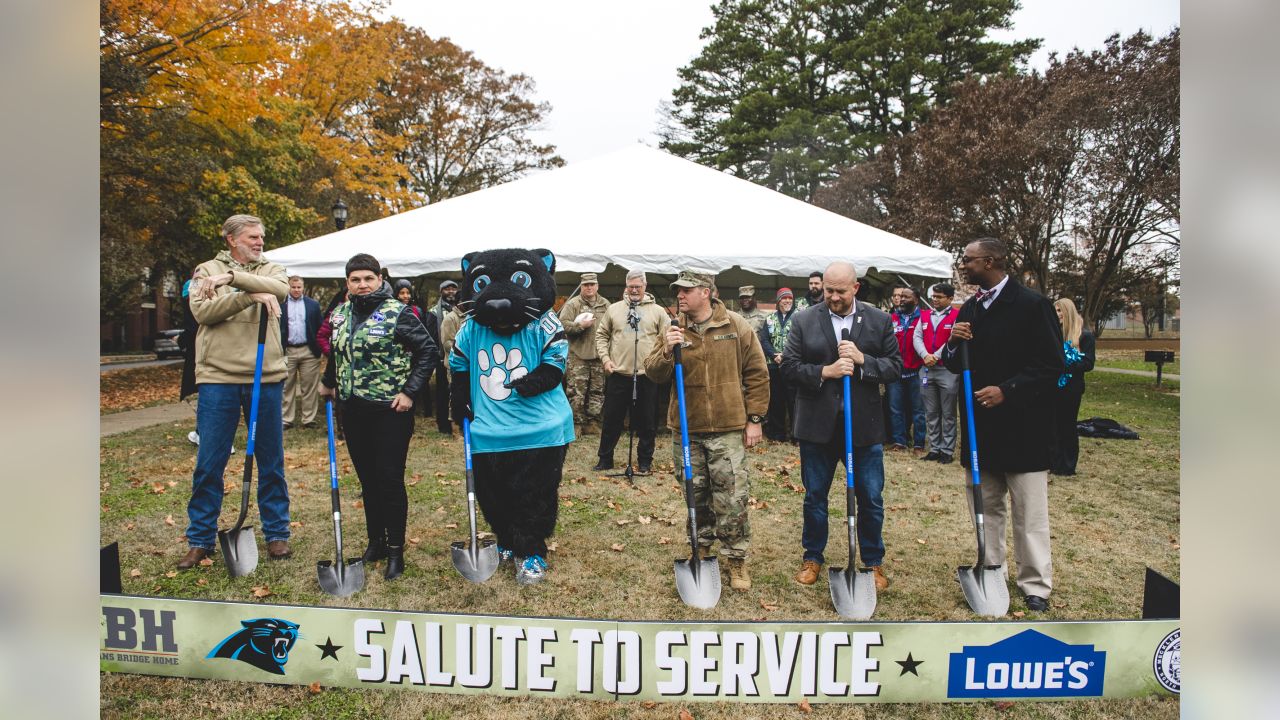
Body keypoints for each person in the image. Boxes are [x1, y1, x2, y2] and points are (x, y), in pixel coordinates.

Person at [941, 237, 1064, 613]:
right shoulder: (970, 309)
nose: (963, 266)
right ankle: (992, 569)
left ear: (990, 261)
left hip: (1023, 427)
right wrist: (951, 343)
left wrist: (1008, 390)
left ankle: (1035, 584)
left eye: (968, 260)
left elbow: (1052, 364)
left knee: (1029, 513)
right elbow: (952, 364)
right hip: (982, 430)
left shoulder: (1032, 305)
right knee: (986, 506)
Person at [178, 214, 292, 570]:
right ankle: (200, 539)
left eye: (261, 236)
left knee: (271, 461)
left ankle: (277, 533)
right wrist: (249, 295)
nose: (259, 242)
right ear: (231, 239)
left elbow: (281, 290)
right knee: (209, 463)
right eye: (252, 237)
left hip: (265, 375)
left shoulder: (273, 268)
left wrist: (232, 281)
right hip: (218, 378)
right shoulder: (204, 270)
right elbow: (202, 312)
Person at [644, 271, 770, 591]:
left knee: (732, 496)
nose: (680, 296)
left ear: (706, 291)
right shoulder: (674, 329)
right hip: (687, 428)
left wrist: (754, 419)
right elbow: (654, 374)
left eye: (686, 290)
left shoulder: (735, 326)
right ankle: (700, 546)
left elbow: (757, 371)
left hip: (727, 426)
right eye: (677, 291)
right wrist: (665, 351)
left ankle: (736, 558)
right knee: (694, 492)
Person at [781, 261, 900, 591]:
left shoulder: (878, 320)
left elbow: (895, 367)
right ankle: (813, 557)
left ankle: (872, 562)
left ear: (855, 288)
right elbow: (789, 367)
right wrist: (825, 372)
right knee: (815, 497)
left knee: (870, 498)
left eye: (839, 291)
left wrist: (863, 361)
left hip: (863, 427)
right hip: (817, 426)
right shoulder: (805, 319)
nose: (832, 297)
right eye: (828, 290)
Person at [320, 254, 438, 580]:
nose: (362, 285)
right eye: (355, 279)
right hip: (352, 409)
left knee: (388, 479)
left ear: (379, 279)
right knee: (367, 481)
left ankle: (397, 550)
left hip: (390, 410)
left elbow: (428, 351)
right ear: (347, 283)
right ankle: (377, 542)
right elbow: (339, 353)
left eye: (368, 279)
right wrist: (329, 382)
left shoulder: (397, 313)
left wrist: (410, 392)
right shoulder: (340, 315)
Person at [593, 270, 671, 473]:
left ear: (645, 286)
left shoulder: (658, 311)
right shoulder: (614, 309)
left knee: (647, 421)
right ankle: (605, 459)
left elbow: (668, 339)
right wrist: (606, 359)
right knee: (612, 419)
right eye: (631, 286)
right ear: (626, 287)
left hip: (647, 375)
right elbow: (601, 335)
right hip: (619, 374)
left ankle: (645, 460)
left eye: (638, 286)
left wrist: (660, 361)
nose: (634, 290)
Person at [913, 283, 960, 463]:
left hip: (946, 369)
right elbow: (917, 336)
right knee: (931, 412)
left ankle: (947, 450)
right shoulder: (924, 315)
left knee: (948, 413)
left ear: (950, 299)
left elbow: (953, 338)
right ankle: (934, 448)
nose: (935, 300)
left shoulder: (956, 316)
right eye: (934, 296)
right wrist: (925, 355)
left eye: (940, 297)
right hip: (926, 369)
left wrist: (936, 355)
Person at [558, 272, 611, 432]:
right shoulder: (573, 304)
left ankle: (593, 423)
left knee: (597, 391)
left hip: (598, 356)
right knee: (576, 391)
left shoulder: (605, 304)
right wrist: (580, 326)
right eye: (586, 285)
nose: (589, 287)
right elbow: (562, 325)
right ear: (581, 286)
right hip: (578, 356)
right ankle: (577, 424)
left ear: (597, 286)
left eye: (592, 284)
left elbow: (613, 326)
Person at [1050, 298, 1095, 476]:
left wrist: (1065, 364)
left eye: (1060, 311)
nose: (1058, 315)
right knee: (1052, 426)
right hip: (1052, 387)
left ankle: (1068, 465)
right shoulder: (1054, 334)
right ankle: (1053, 462)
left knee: (1067, 425)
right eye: (1055, 311)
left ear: (1068, 312)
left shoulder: (1084, 336)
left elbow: (1088, 363)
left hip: (1071, 388)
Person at [887, 285, 926, 454]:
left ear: (916, 300)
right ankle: (899, 441)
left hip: (916, 371)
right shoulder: (892, 318)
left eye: (906, 297)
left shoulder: (924, 318)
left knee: (918, 410)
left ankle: (918, 444)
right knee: (896, 408)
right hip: (896, 371)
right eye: (901, 296)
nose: (902, 299)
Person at [281, 276, 323, 429]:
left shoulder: (313, 305)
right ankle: (286, 419)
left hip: (309, 350)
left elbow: (320, 327)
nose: (296, 290)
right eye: (294, 287)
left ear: (303, 288)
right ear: (288, 287)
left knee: (309, 386)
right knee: (286, 386)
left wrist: (319, 348)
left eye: (299, 287)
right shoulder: (281, 304)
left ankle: (309, 419)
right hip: (288, 350)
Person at [393, 279, 437, 423]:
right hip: (401, 354)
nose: (405, 296)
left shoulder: (416, 310)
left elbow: (422, 331)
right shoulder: (392, 311)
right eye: (402, 293)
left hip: (416, 351)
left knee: (420, 380)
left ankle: (426, 409)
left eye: (407, 293)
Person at [759, 287, 799, 442]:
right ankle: (777, 434)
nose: (787, 301)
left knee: (794, 400)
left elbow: (799, 340)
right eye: (784, 298)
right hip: (773, 366)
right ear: (778, 301)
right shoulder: (769, 319)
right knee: (776, 400)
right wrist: (774, 355)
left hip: (791, 365)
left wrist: (785, 355)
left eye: (790, 298)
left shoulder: (798, 318)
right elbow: (764, 339)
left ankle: (796, 435)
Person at [429, 280, 459, 433]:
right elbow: (431, 337)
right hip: (442, 359)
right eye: (447, 289)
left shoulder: (462, 310)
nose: (451, 291)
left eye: (453, 288)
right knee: (443, 392)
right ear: (441, 292)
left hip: (460, 358)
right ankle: (444, 425)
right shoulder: (434, 312)